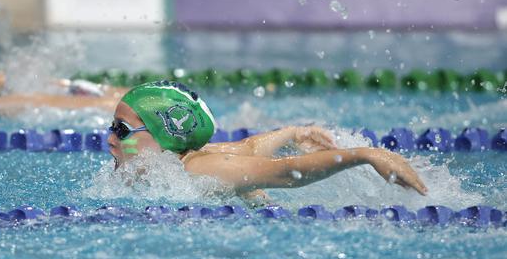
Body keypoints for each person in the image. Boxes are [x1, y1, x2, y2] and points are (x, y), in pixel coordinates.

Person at [108, 81, 428, 205]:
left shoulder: (201, 169)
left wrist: (364, 154)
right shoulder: (177, 159)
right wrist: (290, 133)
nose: (109, 140)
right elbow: (245, 148)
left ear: (164, 137)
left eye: (121, 130)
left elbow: (287, 172)